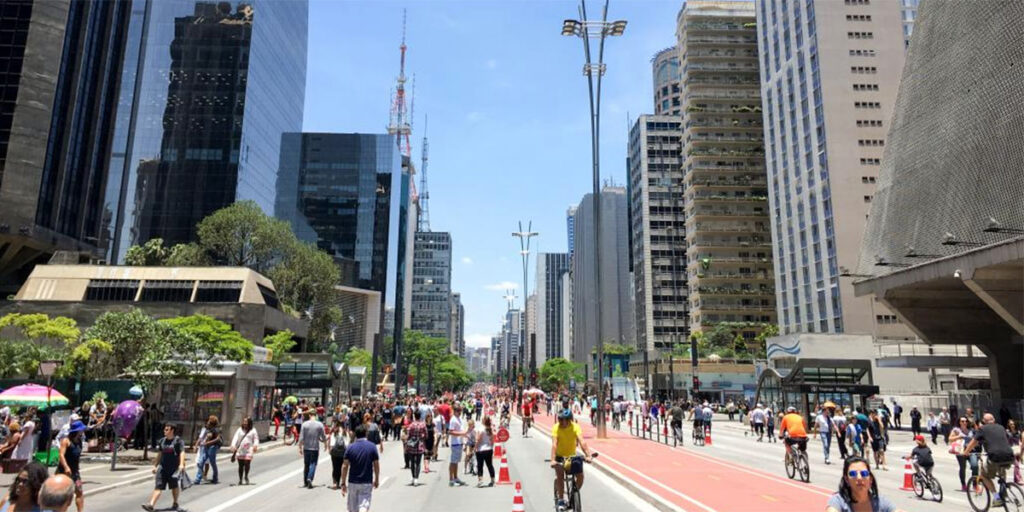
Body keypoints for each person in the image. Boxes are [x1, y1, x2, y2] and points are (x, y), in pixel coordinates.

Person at [962, 413, 1016, 503]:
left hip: (995, 457)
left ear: (984, 421)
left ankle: (997, 497)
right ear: (994, 420)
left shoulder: (983, 429)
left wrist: (966, 452)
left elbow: (973, 442)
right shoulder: (1001, 427)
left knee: (984, 475)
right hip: (1009, 455)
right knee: (1002, 472)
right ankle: (1004, 493)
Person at [825, 456, 906, 512]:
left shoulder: (880, 501)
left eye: (864, 473)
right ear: (847, 480)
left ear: (870, 479)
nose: (859, 478)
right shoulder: (838, 501)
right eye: (853, 474)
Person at [550, 409, 594, 510]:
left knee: (580, 476)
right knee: (560, 476)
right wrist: (553, 459)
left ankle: (573, 494)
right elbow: (554, 445)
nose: (560, 421)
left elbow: (582, 442)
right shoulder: (556, 428)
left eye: (562, 420)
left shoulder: (575, 427)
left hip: (572, 457)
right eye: (559, 419)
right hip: (560, 457)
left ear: (568, 420)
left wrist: (588, 455)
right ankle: (560, 499)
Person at [142, 425, 185, 512]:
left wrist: (181, 464)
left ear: (172, 430)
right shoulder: (162, 441)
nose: (164, 431)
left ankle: (175, 503)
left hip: (173, 469)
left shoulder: (178, 441)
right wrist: (155, 465)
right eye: (164, 429)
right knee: (158, 486)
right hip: (162, 468)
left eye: (167, 430)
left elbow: (182, 452)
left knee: (174, 486)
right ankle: (151, 505)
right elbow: (160, 454)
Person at [341, 424, 380, 512]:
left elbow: (345, 466)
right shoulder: (372, 446)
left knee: (352, 509)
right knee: (363, 506)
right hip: (366, 481)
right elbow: (376, 465)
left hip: (353, 482)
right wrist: (377, 479)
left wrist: (343, 482)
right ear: (366, 434)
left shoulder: (350, 447)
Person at [55, 420, 85, 512]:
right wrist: (66, 467)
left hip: (75, 472)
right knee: (63, 495)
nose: (83, 431)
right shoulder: (66, 441)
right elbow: (61, 455)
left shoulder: (79, 441)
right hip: (63, 472)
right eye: (81, 430)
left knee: (79, 491)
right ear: (77, 430)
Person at [299, 411, 326, 488]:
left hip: (306, 448)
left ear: (309, 415)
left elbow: (301, 437)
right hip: (315, 448)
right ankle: (310, 478)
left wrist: (299, 447)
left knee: (306, 464)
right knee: (313, 464)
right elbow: (323, 436)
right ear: (315, 415)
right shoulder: (320, 424)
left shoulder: (304, 424)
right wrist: (326, 444)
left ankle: (305, 481)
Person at [949, 416, 977, 492]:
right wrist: (958, 436)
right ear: (959, 422)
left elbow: (976, 439)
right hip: (960, 451)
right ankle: (963, 484)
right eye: (962, 421)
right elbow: (950, 439)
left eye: (965, 421)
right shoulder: (956, 430)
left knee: (975, 466)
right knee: (963, 467)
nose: (964, 423)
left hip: (971, 451)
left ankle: (975, 484)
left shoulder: (971, 430)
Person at [229, 416, 259, 486]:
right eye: (244, 421)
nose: (244, 423)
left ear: (249, 423)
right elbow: (235, 437)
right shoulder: (239, 430)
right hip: (240, 450)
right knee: (241, 465)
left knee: (247, 463)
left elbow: (256, 439)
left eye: (246, 422)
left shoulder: (253, 430)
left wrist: (255, 445)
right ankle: (240, 479)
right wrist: (233, 445)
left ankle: (246, 476)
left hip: (249, 450)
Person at [192, 415, 221, 485]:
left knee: (212, 463)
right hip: (206, 447)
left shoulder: (216, 429)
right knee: (201, 462)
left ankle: (215, 478)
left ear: (211, 422)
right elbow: (203, 437)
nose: (207, 422)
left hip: (212, 447)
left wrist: (208, 442)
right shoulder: (207, 429)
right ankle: (197, 479)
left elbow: (218, 438)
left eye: (209, 421)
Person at [401, 410, 426, 486]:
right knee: (418, 463)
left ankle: (413, 477)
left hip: (412, 446)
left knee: (412, 463)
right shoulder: (423, 425)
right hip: (420, 445)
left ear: (415, 416)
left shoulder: (411, 425)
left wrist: (406, 443)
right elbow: (426, 435)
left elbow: (408, 436)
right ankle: (416, 478)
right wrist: (422, 437)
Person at [475, 416, 496, 487]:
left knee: (480, 465)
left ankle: (480, 480)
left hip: (481, 449)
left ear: (483, 421)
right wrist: (491, 446)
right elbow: (492, 440)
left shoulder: (481, 429)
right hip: (489, 449)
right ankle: (492, 480)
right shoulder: (490, 429)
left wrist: (475, 447)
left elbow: (478, 439)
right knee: (490, 465)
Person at [327, 418, 348, 489]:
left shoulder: (335, 431)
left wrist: (330, 450)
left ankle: (335, 483)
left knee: (335, 467)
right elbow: (347, 443)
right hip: (343, 452)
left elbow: (332, 443)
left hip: (335, 452)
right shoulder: (345, 432)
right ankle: (341, 483)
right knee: (342, 467)